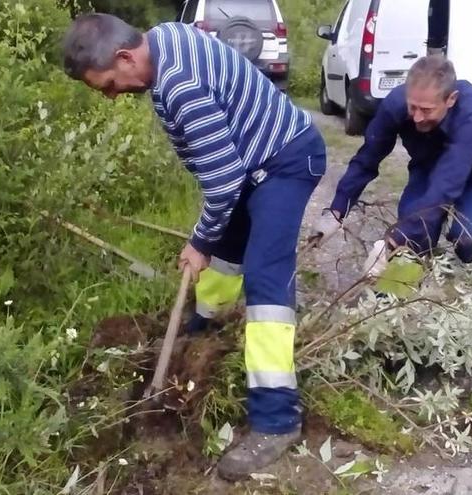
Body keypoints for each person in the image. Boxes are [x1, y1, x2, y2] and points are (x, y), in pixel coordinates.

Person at [61, 14, 326, 480]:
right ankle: (204, 325)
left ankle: (276, 420)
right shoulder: (162, 38)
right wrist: (210, 239)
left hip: (284, 159)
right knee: (226, 247)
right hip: (249, 161)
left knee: (265, 278)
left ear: (125, 57)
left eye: (107, 84)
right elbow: (223, 174)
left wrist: (197, 241)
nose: (110, 94)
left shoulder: (179, 85)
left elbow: (223, 183)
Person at [315, 55, 472, 276]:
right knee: (411, 244)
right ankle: (395, 301)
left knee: (467, 239)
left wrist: (391, 242)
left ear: (451, 99)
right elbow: (367, 158)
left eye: (427, 110)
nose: (417, 118)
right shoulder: (395, 105)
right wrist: (337, 210)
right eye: (413, 107)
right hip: (427, 168)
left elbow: (446, 184)